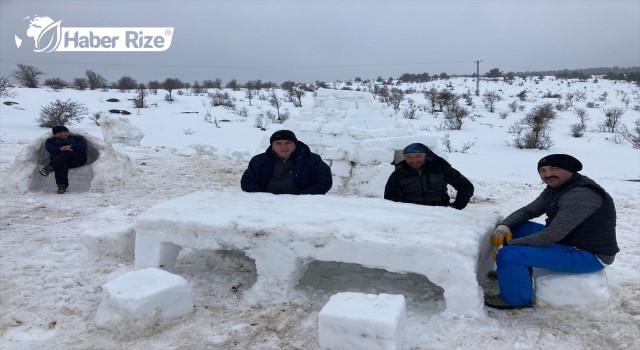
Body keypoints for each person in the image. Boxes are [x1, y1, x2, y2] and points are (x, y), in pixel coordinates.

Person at [484, 154, 619, 310]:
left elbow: (551, 235)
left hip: (589, 254)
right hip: (570, 240)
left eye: (555, 169)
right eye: (542, 170)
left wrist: (507, 245)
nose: (548, 174)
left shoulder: (581, 194)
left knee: (509, 254)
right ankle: (513, 275)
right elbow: (529, 211)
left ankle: (515, 300)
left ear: (570, 170)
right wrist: (505, 226)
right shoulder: (557, 188)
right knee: (516, 228)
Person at [384, 143, 474, 209]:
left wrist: (456, 207)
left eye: (418, 156)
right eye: (409, 157)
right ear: (404, 157)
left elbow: (466, 186)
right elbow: (390, 196)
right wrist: (408, 207)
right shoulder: (399, 174)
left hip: (440, 211)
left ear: (426, 156)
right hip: (411, 214)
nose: (414, 160)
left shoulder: (441, 169)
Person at [241, 129, 332, 195]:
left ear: (295, 144)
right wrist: (264, 197)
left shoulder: (313, 160)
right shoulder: (258, 161)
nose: (283, 147)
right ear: (272, 146)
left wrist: (301, 197)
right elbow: (248, 182)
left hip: (303, 206)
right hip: (266, 205)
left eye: (288, 142)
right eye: (278, 143)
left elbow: (324, 181)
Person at [39, 126, 88, 194]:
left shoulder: (77, 138)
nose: (63, 134)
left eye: (65, 132)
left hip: (77, 160)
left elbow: (82, 145)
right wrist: (60, 149)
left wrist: (71, 147)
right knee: (62, 164)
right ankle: (62, 187)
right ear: (55, 134)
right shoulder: (50, 141)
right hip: (59, 161)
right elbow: (50, 148)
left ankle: (48, 168)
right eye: (60, 133)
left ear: (68, 132)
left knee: (66, 153)